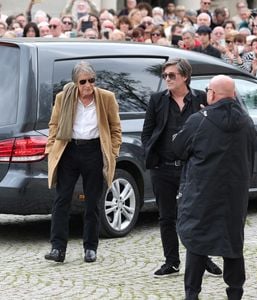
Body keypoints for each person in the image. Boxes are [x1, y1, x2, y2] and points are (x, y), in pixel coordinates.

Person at [173, 74, 256, 300]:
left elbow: (178, 148)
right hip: (234, 194)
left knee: (197, 242)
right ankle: (235, 293)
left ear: (212, 94)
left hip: (202, 192)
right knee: (232, 243)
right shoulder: (247, 122)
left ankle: (192, 294)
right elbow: (250, 158)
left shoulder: (199, 120)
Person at [141, 58, 222, 278]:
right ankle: (172, 261)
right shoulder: (157, 100)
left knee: (197, 214)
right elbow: (147, 132)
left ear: (185, 76)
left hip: (192, 168)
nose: (167, 79)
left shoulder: (201, 99)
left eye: (172, 75)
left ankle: (202, 258)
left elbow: (214, 129)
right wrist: (151, 154)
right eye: (165, 75)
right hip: (163, 168)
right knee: (166, 216)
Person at [44, 61, 122, 263]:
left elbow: (115, 129)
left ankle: (90, 247)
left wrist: (112, 152)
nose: (88, 85)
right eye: (83, 81)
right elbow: (53, 125)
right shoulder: (64, 98)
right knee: (62, 200)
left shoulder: (106, 98)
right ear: (75, 83)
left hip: (94, 151)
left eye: (92, 80)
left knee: (92, 201)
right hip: (69, 150)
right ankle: (58, 248)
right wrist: (51, 148)